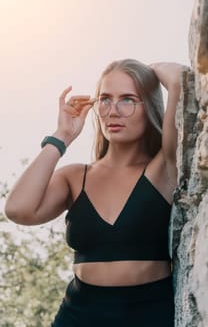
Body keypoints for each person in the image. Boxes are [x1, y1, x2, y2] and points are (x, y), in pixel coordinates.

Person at [4, 59, 183, 326]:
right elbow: (19, 209)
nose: (113, 111)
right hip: (79, 315)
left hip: (150, 315)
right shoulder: (75, 177)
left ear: (149, 106)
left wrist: (154, 70)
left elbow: (180, 81)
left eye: (128, 99)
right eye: (105, 99)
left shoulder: (163, 168)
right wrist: (62, 135)